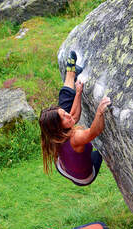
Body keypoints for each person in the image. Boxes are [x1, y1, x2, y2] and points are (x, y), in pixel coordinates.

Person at [39, 51, 111, 186]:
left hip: (63, 166)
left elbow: (73, 116)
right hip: (83, 177)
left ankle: (71, 73)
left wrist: (78, 93)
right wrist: (99, 112)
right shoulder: (75, 138)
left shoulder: (52, 134)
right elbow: (94, 132)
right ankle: (71, 75)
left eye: (64, 113)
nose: (68, 115)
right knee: (103, 151)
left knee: (62, 107)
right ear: (58, 127)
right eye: (64, 117)